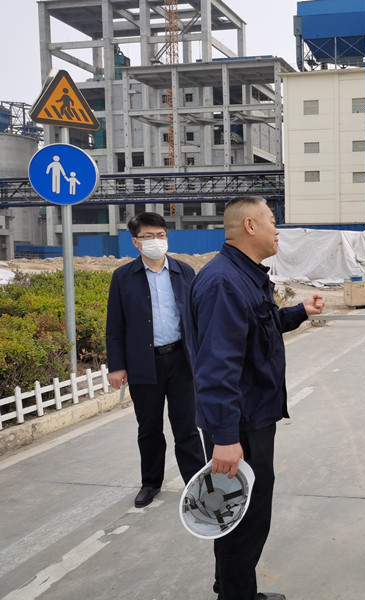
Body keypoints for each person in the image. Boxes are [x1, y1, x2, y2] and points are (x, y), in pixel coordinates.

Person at [190, 196, 325, 600]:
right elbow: (217, 367)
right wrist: (225, 438)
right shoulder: (224, 282)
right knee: (244, 520)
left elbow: (257, 329)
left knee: (238, 516)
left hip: (251, 416)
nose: (277, 229)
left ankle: (232, 589)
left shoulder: (243, 276)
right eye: (271, 220)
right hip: (240, 424)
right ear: (250, 226)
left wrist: (298, 311)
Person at [106, 212, 206, 509]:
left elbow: (197, 317)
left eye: (160, 235)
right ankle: (150, 483)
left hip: (181, 360)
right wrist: (117, 366)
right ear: (135, 242)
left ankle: (197, 484)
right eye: (148, 236)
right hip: (143, 364)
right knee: (149, 428)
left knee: (187, 428)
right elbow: (115, 325)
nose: (156, 241)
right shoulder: (123, 277)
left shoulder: (184, 272)